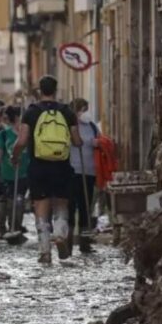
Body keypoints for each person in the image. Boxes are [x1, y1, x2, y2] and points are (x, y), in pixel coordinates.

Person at [11, 75, 82, 264]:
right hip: (62, 165)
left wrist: (15, 156)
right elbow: (77, 141)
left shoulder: (32, 112)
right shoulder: (67, 111)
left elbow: (22, 141)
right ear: (56, 89)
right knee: (61, 205)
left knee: (41, 207)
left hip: (39, 166)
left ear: (39, 91)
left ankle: (45, 251)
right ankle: (60, 234)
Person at [68, 98, 99, 254]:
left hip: (89, 171)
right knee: (70, 206)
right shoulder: (68, 126)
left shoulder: (91, 126)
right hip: (72, 171)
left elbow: (99, 140)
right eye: (83, 109)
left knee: (85, 207)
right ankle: (68, 241)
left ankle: (84, 242)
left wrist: (98, 143)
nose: (85, 112)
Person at [0, 104, 29, 235]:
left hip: (22, 175)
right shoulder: (3, 134)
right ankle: (5, 228)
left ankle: (14, 228)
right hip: (8, 175)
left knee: (17, 201)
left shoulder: (24, 135)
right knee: (12, 202)